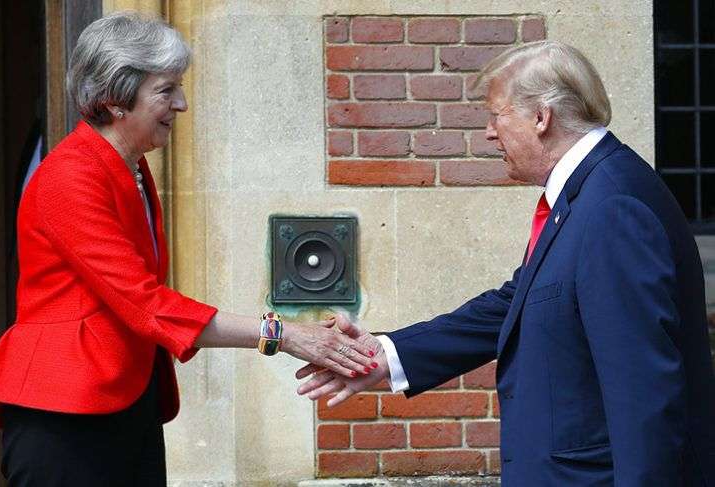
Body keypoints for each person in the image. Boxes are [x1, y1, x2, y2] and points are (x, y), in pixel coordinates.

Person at [0, 12, 376, 487]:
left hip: (122, 402)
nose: (181, 104)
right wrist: (283, 334)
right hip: (66, 410)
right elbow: (146, 303)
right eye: (165, 90)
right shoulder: (71, 176)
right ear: (115, 99)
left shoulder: (129, 169)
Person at [297, 40, 715, 486]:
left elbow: (644, 395)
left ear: (541, 117)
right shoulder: (589, 192)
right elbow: (514, 304)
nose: (489, 133)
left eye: (497, 114)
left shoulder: (612, 206)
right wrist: (386, 355)